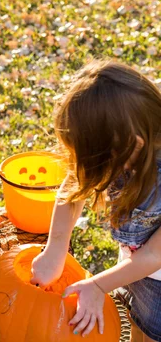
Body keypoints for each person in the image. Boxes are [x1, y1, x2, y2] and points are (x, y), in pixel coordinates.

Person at [30, 61, 161, 341]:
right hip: (136, 263)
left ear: (133, 143)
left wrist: (99, 286)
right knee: (134, 321)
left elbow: (154, 255)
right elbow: (75, 184)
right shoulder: (127, 145)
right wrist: (55, 248)